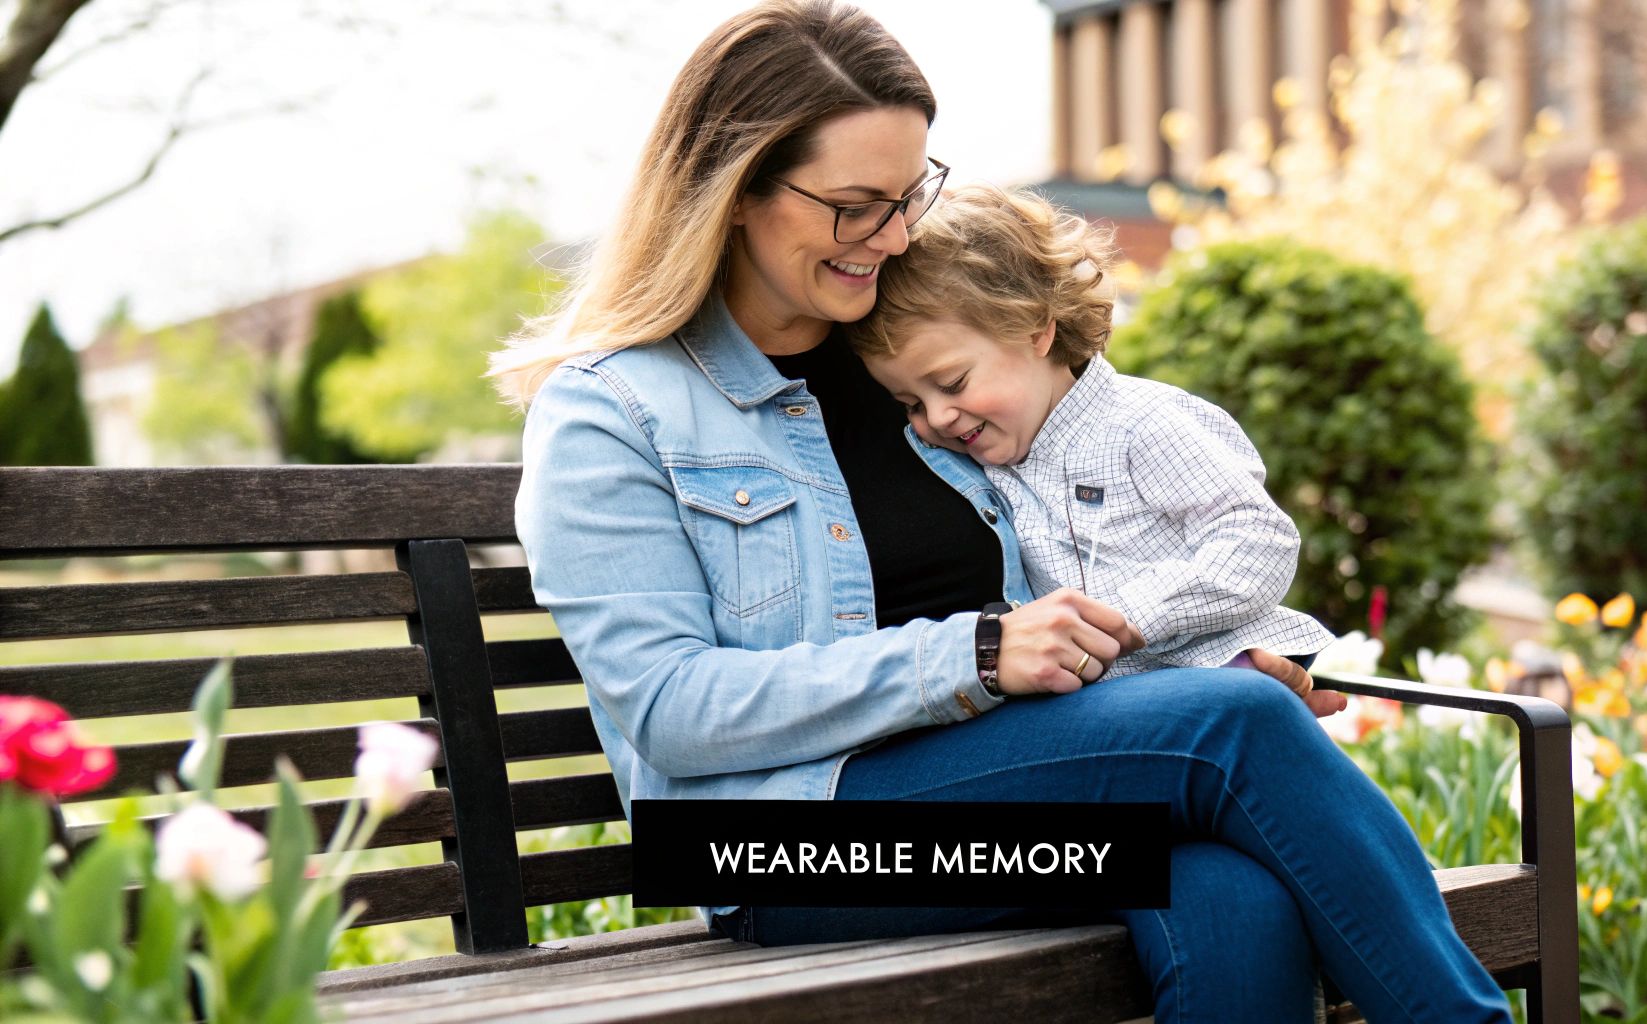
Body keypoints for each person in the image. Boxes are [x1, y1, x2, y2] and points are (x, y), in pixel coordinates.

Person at [491, 2, 1511, 1021]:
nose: (890, 236)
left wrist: (1194, 660)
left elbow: (1087, 565)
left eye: (906, 196)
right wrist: (972, 653)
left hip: (1010, 802)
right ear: (736, 191)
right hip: (782, 846)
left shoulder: (906, 363)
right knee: (1231, 729)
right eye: (855, 204)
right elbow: (669, 707)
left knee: (1229, 888)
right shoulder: (612, 410)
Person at [849, 183, 1337, 706]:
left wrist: (1131, 617)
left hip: (1211, 662)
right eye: (911, 404)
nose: (938, 418)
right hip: (1105, 705)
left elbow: (1259, 538)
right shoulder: (975, 464)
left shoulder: (1142, 422)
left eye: (952, 383)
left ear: (1036, 329)